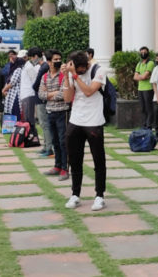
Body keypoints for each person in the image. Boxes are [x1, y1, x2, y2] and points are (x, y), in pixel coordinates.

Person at [63, 51, 107, 211]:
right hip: (76, 120)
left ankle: (99, 196)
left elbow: (89, 92)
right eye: (77, 69)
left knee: (98, 160)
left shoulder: (98, 70)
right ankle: (75, 195)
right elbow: (68, 98)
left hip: (94, 120)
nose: (80, 72)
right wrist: (67, 78)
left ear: (86, 64)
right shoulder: (72, 72)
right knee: (75, 160)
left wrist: (75, 76)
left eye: (81, 69)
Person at [39, 49, 69, 181]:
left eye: (59, 59)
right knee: (55, 141)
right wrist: (54, 93)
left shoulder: (63, 76)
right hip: (50, 111)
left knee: (63, 142)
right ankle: (57, 166)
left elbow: (63, 94)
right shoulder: (44, 77)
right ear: (49, 62)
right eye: (55, 60)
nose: (58, 62)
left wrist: (49, 94)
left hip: (62, 112)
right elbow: (40, 95)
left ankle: (65, 168)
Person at [33, 50, 53, 157]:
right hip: (40, 97)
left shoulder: (44, 67)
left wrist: (35, 88)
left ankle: (49, 148)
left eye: (32, 57)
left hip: (42, 99)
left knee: (45, 124)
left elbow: (37, 83)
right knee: (43, 124)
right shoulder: (44, 66)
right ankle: (46, 146)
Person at [134, 46, 155, 129]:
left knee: (149, 108)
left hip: (148, 88)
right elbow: (135, 77)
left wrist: (142, 76)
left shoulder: (150, 63)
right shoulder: (139, 64)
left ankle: (149, 126)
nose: (143, 54)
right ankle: (144, 125)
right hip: (140, 89)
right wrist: (142, 77)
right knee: (143, 108)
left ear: (148, 53)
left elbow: (143, 76)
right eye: (141, 52)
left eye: (144, 52)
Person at [20, 47, 42, 127]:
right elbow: (35, 81)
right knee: (28, 119)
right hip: (27, 94)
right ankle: (31, 136)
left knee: (28, 119)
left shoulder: (29, 66)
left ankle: (32, 137)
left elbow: (34, 80)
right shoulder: (29, 66)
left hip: (27, 94)